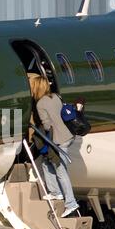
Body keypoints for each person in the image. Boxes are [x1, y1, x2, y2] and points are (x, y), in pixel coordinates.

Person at [28, 75, 79, 218]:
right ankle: (55, 192)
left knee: (61, 171)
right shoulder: (55, 97)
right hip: (68, 135)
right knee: (46, 163)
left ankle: (71, 203)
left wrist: (44, 141)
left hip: (58, 139)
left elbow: (46, 125)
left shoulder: (40, 104)